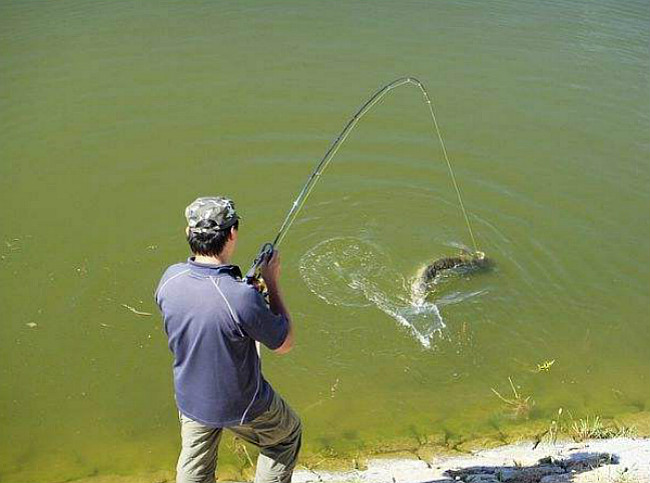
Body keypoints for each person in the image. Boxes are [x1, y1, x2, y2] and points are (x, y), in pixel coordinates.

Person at [155, 196, 301, 483]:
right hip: (243, 404)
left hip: (191, 398)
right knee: (285, 436)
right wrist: (271, 282)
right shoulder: (240, 297)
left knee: (195, 464)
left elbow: (208, 309)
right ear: (232, 233)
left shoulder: (170, 279)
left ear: (188, 233)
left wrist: (243, 292)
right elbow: (285, 343)